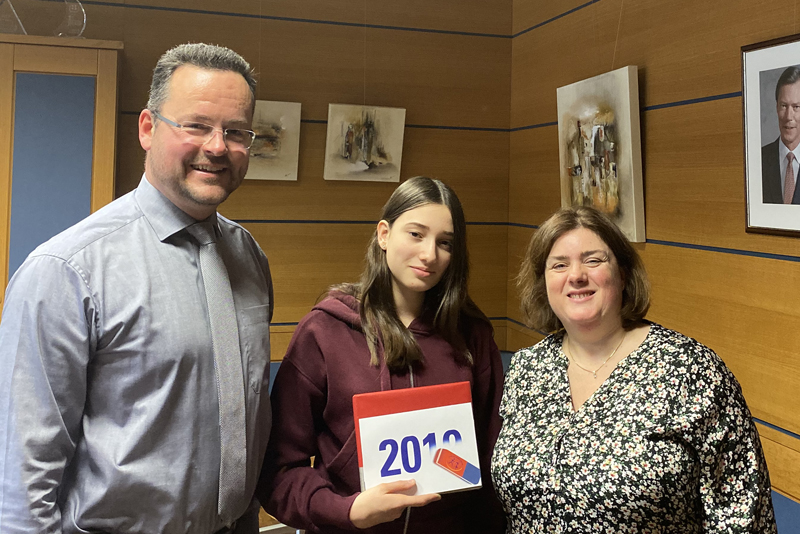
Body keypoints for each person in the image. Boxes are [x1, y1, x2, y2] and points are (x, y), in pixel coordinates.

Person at [0, 43, 273, 534]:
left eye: (235, 132)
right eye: (196, 125)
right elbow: (22, 480)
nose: (217, 147)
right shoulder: (66, 271)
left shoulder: (249, 257)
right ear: (148, 128)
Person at [491, 206, 777, 532]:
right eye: (559, 264)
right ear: (543, 281)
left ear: (623, 274)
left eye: (593, 260)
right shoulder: (527, 369)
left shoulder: (692, 371)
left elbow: (741, 514)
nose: (576, 275)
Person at [259, 176, 506, 533]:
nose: (429, 254)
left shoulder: (472, 335)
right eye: (416, 234)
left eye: (445, 243)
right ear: (384, 234)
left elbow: (492, 459)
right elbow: (279, 471)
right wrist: (347, 511)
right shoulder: (324, 331)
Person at [762, 65, 800, 204]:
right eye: (784, 106)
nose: (788, 116)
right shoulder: (759, 160)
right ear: (777, 108)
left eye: (796, 107)